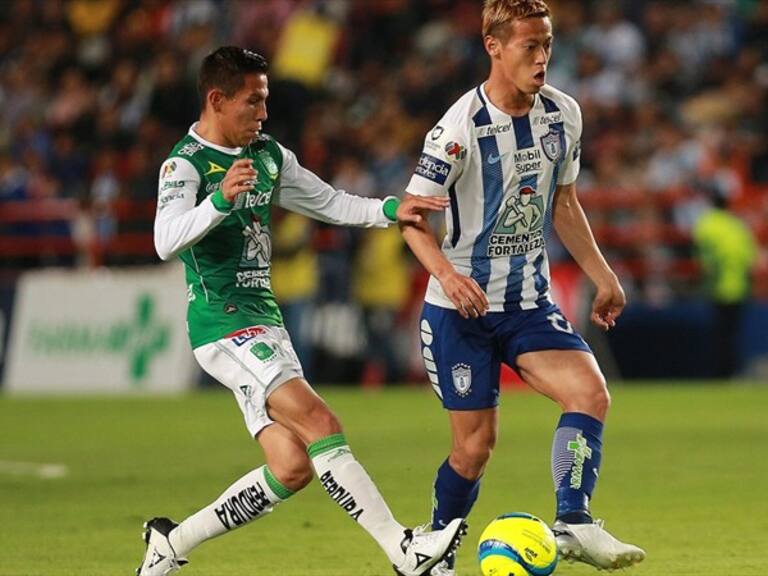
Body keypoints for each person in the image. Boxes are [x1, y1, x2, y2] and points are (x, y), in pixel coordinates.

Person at [137, 46, 466, 576]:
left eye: (265, 101)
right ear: (217, 100)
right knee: (320, 420)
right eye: (253, 102)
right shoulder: (185, 164)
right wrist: (218, 200)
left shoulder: (268, 155)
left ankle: (171, 544)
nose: (263, 113)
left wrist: (388, 209)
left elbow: (329, 202)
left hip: (265, 320)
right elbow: (164, 240)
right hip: (222, 324)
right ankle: (403, 551)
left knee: (290, 468)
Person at [396, 2, 646, 573]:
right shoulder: (458, 129)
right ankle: (433, 549)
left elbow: (563, 202)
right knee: (474, 449)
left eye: (547, 44)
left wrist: (602, 274)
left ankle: (574, 522)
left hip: (528, 303)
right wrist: (448, 276)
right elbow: (411, 217)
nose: (541, 58)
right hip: (459, 312)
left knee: (590, 394)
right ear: (494, 46)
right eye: (528, 46)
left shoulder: (563, 115)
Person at [692, 192, 757, 378]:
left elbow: (703, 259)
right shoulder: (738, 226)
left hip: (717, 289)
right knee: (733, 336)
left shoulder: (706, 225)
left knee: (718, 336)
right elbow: (749, 260)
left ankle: (719, 374)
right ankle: (732, 373)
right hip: (739, 288)